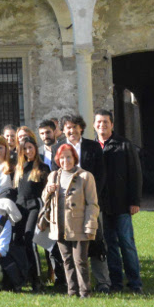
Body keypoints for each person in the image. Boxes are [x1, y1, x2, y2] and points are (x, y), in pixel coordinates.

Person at [40, 143, 99, 298]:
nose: (66, 161)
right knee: (67, 261)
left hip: (78, 225)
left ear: (74, 158)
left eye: (69, 157)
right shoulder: (53, 176)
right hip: (59, 226)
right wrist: (48, 190)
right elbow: (44, 199)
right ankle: (72, 292)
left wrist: (90, 225)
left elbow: (92, 204)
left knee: (80, 261)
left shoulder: (85, 176)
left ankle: (85, 293)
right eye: (62, 158)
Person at [95, 110, 143, 294]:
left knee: (126, 243)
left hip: (123, 204)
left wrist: (135, 200)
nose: (102, 125)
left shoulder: (124, 145)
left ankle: (135, 283)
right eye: (99, 122)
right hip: (103, 206)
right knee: (110, 245)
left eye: (105, 122)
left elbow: (135, 174)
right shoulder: (93, 147)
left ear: (112, 124)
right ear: (94, 125)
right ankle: (116, 282)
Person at [61, 113, 109, 293]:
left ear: (81, 128)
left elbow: (101, 175)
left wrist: (92, 199)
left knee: (96, 242)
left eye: (74, 127)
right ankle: (72, 285)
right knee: (70, 247)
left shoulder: (93, 147)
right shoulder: (60, 148)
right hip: (67, 208)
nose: (71, 130)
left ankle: (103, 281)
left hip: (90, 204)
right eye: (68, 127)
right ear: (63, 130)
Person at [13, 136, 49, 291]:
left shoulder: (42, 168)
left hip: (35, 206)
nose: (28, 151)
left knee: (30, 239)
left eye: (30, 147)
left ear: (35, 147)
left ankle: (37, 278)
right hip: (20, 207)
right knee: (17, 240)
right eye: (25, 148)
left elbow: (46, 192)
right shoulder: (19, 168)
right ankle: (23, 276)